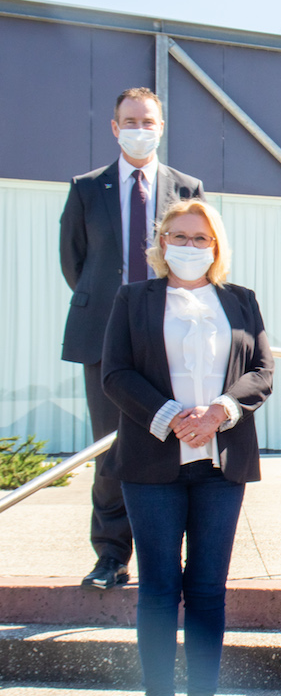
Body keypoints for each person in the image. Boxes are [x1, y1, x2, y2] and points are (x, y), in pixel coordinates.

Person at [101, 200, 273, 696]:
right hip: (153, 464)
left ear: (216, 247)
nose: (189, 246)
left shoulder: (240, 300)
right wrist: (174, 416)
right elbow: (117, 373)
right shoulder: (133, 299)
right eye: (179, 235)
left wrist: (221, 411)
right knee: (157, 587)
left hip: (222, 466)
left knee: (206, 587)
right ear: (161, 242)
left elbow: (263, 372)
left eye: (201, 238)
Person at [59, 86, 206, 591]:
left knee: (176, 444)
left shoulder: (186, 187)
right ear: (115, 126)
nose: (140, 128)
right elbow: (75, 262)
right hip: (103, 336)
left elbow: (199, 253)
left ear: (162, 126)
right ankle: (111, 557)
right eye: (130, 120)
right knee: (112, 450)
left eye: (149, 120)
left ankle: (169, 559)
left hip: (170, 333)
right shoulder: (86, 188)